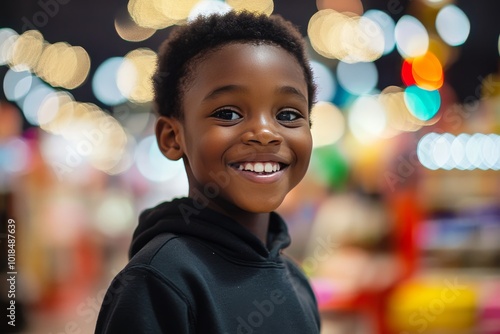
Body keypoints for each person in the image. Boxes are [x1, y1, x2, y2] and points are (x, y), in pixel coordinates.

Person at [95, 10, 320, 333]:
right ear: (173, 138)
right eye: (228, 113)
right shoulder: (158, 281)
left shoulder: (296, 281)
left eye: (287, 114)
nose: (266, 132)